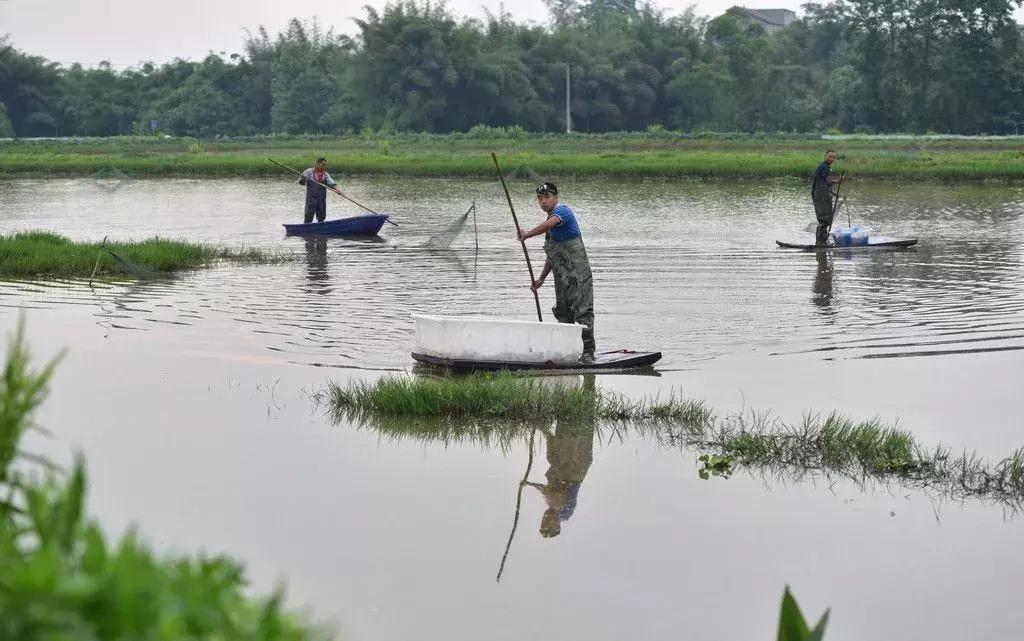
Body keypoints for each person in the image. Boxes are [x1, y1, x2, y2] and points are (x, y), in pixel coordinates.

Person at [517, 182, 595, 363]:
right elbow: (552, 256)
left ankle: (588, 353)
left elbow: (550, 223)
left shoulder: (563, 212)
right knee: (563, 314)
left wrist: (528, 234)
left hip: (579, 276)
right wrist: (540, 280)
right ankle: (566, 352)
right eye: (540, 198)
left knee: (583, 313)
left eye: (547, 197)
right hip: (561, 277)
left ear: (556, 197)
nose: (543, 201)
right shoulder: (550, 231)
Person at [811, 150, 844, 247]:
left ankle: (821, 242)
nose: (831, 159)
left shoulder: (826, 167)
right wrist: (838, 180)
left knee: (825, 218)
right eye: (830, 156)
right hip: (821, 196)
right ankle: (821, 243)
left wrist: (833, 193)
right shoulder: (824, 167)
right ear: (825, 156)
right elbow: (828, 181)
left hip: (822, 194)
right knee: (824, 218)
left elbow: (825, 184)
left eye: (833, 157)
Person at [298, 157, 342, 223]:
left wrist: (337, 190)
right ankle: (306, 227)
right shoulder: (308, 172)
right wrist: (304, 179)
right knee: (308, 216)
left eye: (325, 165)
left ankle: (320, 227)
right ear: (317, 164)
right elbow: (301, 182)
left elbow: (331, 183)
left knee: (321, 217)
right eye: (323, 165)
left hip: (321, 199)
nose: (324, 167)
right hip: (311, 199)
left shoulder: (325, 174)